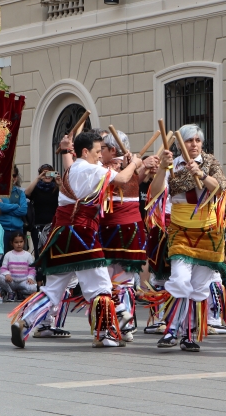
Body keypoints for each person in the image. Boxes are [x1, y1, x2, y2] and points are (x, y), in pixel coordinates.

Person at [9, 131, 139, 348]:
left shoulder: (70, 170)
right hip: (82, 235)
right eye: (97, 152)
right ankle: (105, 335)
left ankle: (25, 321)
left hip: (60, 234)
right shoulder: (91, 169)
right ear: (85, 151)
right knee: (101, 287)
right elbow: (124, 179)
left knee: (53, 289)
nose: (100, 156)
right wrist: (134, 163)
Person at [145, 124, 226, 352]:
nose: (193, 144)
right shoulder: (173, 164)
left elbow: (221, 188)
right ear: (179, 144)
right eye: (188, 141)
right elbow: (155, 192)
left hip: (208, 232)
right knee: (180, 279)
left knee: (199, 286)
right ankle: (171, 329)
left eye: (197, 140)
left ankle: (188, 333)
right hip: (180, 230)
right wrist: (161, 170)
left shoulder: (210, 162)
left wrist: (202, 175)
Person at [99, 130, 153, 342]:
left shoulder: (107, 168)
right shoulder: (130, 166)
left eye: (101, 148)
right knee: (125, 280)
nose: (99, 152)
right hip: (131, 228)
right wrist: (140, 164)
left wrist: (143, 164)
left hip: (111, 230)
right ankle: (126, 326)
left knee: (105, 279)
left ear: (112, 150)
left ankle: (112, 326)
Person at [24, 164, 60, 259]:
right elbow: (26, 193)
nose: (47, 176)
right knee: (38, 251)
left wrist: (59, 183)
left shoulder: (56, 188)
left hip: (53, 225)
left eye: (50, 173)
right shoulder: (36, 188)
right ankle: (40, 273)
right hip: (38, 226)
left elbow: (66, 197)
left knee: (52, 251)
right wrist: (38, 178)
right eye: (45, 173)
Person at [0, 165, 27, 254]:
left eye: (13, 175)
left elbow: (23, 211)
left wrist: (4, 206)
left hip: (17, 230)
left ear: (16, 178)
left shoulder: (21, 193)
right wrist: (15, 206)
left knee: (19, 258)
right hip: (2, 230)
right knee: (1, 258)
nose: (11, 178)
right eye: (8, 175)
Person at [0, 232, 37, 300]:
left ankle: (20, 292)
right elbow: (3, 268)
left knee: (33, 288)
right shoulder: (8, 254)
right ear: (12, 243)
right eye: (16, 242)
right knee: (0, 277)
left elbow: (32, 269)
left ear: (24, 242)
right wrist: (7, 274)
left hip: (23, 281)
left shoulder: (28, 255)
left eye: (21, 242)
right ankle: (11, 292)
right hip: (11, 281)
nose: (19, 244)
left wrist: (30, 277)